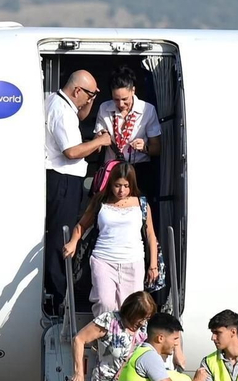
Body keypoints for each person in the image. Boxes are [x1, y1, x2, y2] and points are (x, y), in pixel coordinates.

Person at [44, 70, 113, 314]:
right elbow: (71, 152)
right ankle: (58, 295)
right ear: (77, 91)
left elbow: (81, 114)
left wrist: (91, 98)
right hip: (63, 179)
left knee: (60, 233)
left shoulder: (57, 101)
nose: (90, 100)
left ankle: (58, 290)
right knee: (60, 237)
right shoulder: (62, 112)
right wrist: (99, 142)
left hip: (64, 179)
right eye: (89, 94)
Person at [62, 163, 159, 313]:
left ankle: (125, 337)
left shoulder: (142, 204)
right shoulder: (100, 201)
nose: (122, 190)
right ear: (111, 183)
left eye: (126, 186)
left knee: (131, 309)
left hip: (133, 262)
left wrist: (153, 265)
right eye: (117, 185)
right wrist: (73, 242)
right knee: (104, 303)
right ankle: (104, 335)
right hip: (104, 259)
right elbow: (81, 225)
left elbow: (151, 235)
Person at [94, 70, 162, 211]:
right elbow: (97, 146)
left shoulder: (147, 110)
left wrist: (144, 147)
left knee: (140, 211)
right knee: (110, 210)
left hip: (139, 170)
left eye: (125, 99)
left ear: (133, 91)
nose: (120, 104)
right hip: (112, 170)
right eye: (116, 99)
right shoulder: (104, 108)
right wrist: (99, 139)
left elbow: (157, 149)